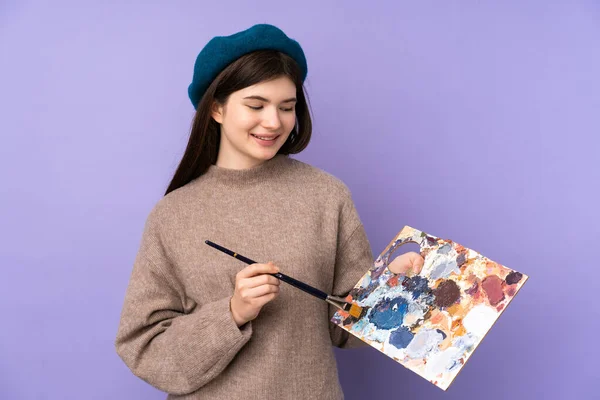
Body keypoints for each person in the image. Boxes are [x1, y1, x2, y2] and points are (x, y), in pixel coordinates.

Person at [115, 23, 423, 400]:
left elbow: (345, 329)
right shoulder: (173, 214)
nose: (274, 122)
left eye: (287, 107)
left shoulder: (326, 195)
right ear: (216, 107)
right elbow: (144, 349)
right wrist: (232, 313)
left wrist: (391, 283)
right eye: (256, 105)